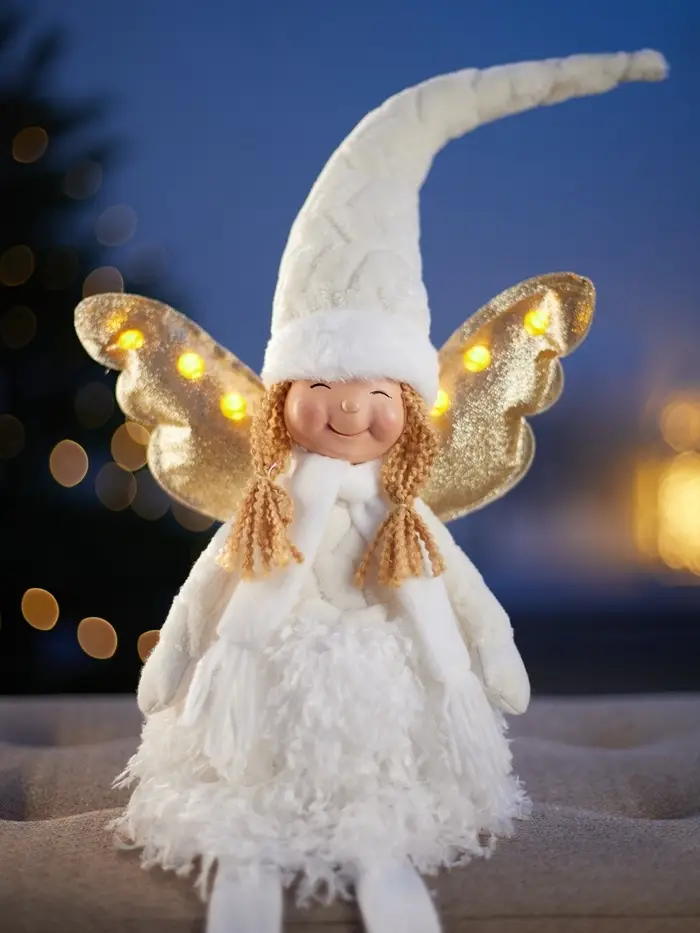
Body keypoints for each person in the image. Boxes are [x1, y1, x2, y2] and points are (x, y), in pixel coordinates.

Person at [108, 49, 667, 933]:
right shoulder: (268, 503)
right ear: (280, 402)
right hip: (264, 685)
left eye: (374, 393)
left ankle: (390, 884)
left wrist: (494, 650)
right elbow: (213, 577)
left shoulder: (404, 515)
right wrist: (175, 656)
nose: (348, 409)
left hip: (380, 687)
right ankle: (244, 894)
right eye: (322, 389)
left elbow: (459, 586)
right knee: (244, 822)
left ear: (408, 407)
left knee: (383, 818)